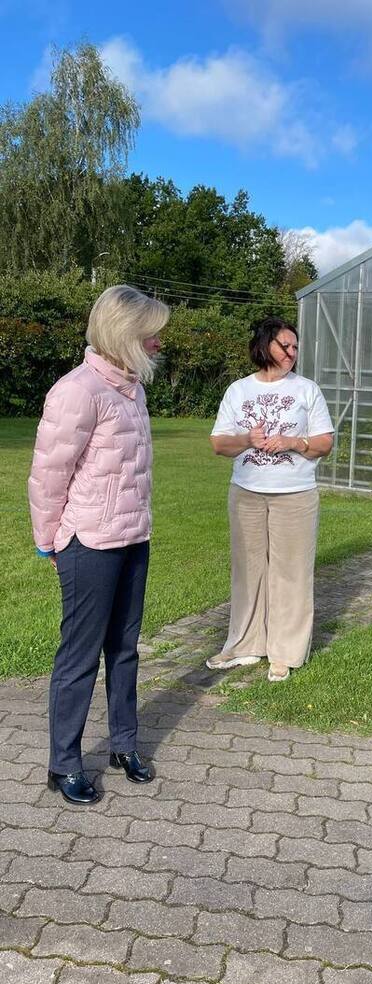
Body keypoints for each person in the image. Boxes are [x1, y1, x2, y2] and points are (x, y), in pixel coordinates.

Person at [28, 285, 169, 806]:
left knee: (126, 648)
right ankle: (63, 763)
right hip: (89, 542)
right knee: (81, 655)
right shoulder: (78, 390)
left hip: (133, 536)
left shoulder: (132, 389)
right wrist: (50, 540)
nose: (158, 342)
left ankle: (123, 744)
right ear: (124, 332)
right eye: (151, 333)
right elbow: (48, 473)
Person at [207, 316, 334, 681]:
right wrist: (248, 439)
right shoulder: (238, 391)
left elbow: (325, 442)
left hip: (295, 495)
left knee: (290, 572)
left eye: (295, 347)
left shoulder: (307, 390)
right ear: (265, 345)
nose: (292, 352)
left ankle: (285, 652)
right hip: (246, 493)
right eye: (285, 345)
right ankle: (245, 644)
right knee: (247, 571)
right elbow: (219, 444)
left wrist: (295, 442)